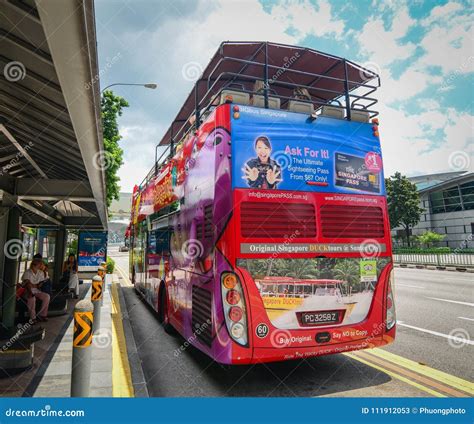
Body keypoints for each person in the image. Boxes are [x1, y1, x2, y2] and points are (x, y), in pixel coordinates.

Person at [21, 258, 50, 322]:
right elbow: (27, 284)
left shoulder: (40, 272)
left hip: (36, 290)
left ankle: (42, 315)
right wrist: (32, 289)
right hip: (27, 290)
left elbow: (45, 280)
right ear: (35, 265)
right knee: (32, 298)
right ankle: (33, 318)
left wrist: (36, 284)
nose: (41, 266)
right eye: (40, 264)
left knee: (47, 297)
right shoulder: (27, 272)